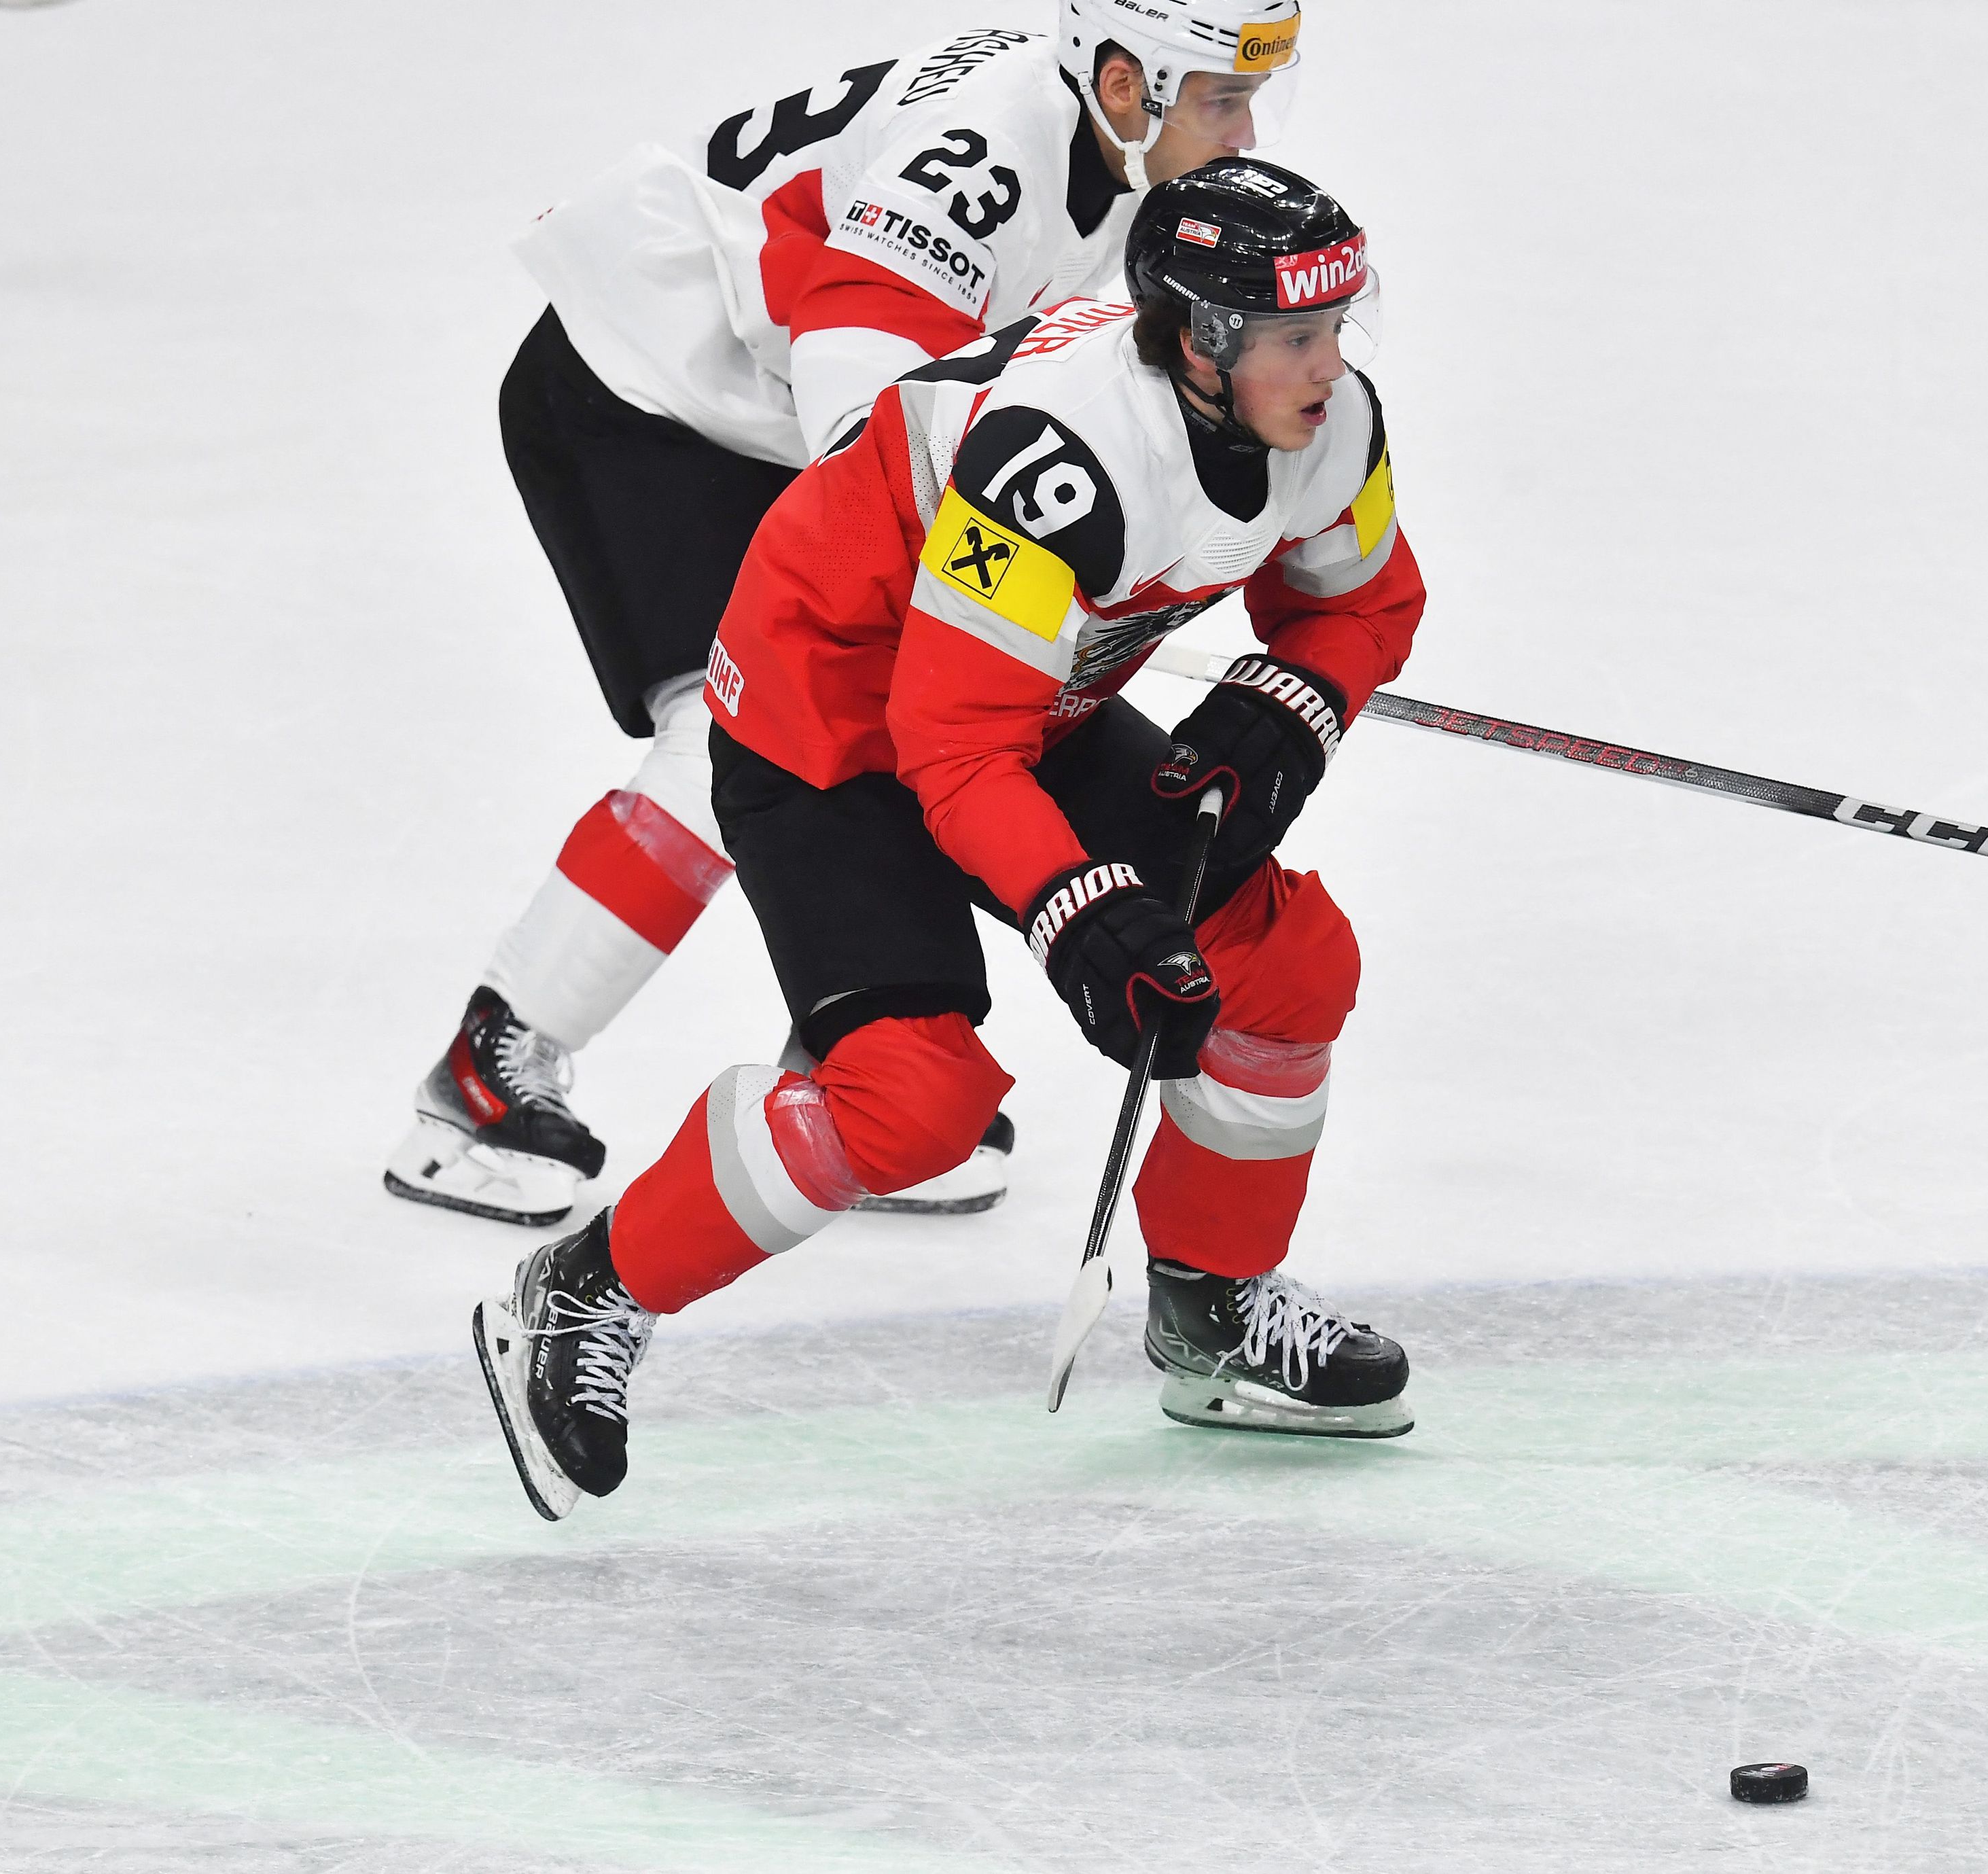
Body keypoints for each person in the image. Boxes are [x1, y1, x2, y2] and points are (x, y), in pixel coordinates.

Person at [474, 159, 1423, 1523]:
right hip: (823, 717)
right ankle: (585, 1286)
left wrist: (1295, 695)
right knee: (910, 1098)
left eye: (1336, 325)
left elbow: (1363, 601)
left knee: (1284, 963)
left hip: (1016, 692)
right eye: (1293, 336)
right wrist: (1082, 911)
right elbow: (946, 743)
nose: (1328, 365)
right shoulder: (1062, 455)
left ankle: (1211, 1307)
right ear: (1198, 344)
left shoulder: (1330, 424)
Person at [387, 1, 1307, 1228]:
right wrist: (1000, 591)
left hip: (786, 416)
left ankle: (851, 1045)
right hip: (649, 397)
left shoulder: (1131, 153)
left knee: (878, 701)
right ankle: (486, 1073)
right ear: (1128, 84)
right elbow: (857, 415)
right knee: (745, 726)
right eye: (1222, 102)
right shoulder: (991, 155)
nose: (1246, 140)